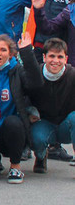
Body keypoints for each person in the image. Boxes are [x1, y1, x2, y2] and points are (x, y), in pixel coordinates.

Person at [0, 33, 40, 183]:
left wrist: (26, 52)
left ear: (10, 54)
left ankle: (15, 167)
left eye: (3, 50)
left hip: (11, 131)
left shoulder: (17, 71)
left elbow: (36, 83)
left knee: (13, 122)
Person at [24, 38, 75, 175]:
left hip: (67, 125)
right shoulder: (36, 74)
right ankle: (41, 157)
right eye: (52, 56)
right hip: (44, 123)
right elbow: (25, 97)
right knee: (37, 138)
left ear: (66, 59)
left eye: (60, 57)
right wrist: (30, 112)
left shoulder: (72, 75)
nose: (55, 61)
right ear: (44, 57)